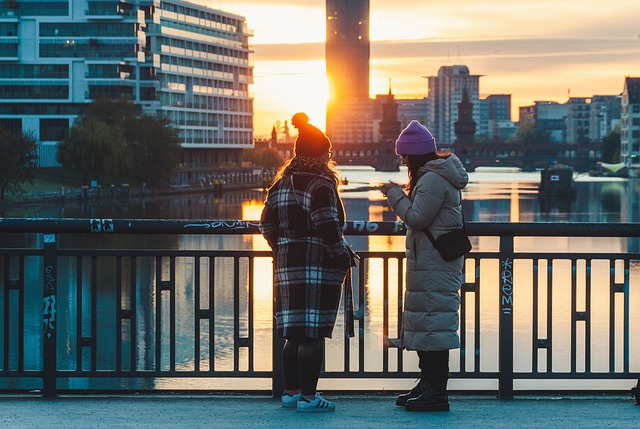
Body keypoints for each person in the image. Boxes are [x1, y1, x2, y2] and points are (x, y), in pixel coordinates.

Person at [259, 112, 356, 413]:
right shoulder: (321, 186)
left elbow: (266, 225)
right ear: (321, 155)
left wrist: (283, 247)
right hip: (317, 267)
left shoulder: (281, 184)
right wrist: (342, 255)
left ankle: (291, 393)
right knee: (313, 332)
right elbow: (327, 227)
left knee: (293, 331)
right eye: (327, 153)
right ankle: (310, 398)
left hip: (287, 266)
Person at [378, 120, 468, 412]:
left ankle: (436, 392)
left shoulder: (431, 180)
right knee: (429, 323)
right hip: (432, 263)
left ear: (414, 156)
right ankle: (427, 384)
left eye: (404, 156)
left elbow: (417, 218)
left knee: (434, 325)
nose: (402, 161)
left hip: (434, 264)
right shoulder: (436, 175)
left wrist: (394, 195)